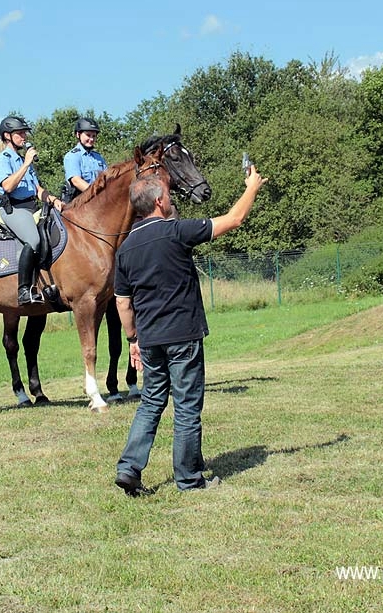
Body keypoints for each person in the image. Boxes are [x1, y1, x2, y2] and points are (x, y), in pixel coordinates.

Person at [113, 161, 267, 495]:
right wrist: (252, 187)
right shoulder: (177, 230)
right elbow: (234, 220)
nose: (171, 200)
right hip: (183, 335)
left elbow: (122, 303)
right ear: (158, 202)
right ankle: (189, 479)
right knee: (186, 406)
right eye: (167, 195)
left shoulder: (124, 251)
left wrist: (133, 340)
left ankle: (129, 468)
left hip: (150, 339)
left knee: (151, 402)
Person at [62, 117, 139, 403]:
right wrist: (99, 196)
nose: (91, 138)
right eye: (87, 134)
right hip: (79, 208)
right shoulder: (72, 157)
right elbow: (76, 182)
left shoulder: (99, 158)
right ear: (78, 135)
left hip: (100, 211)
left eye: (94, 134)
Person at [0, 115, 64, 305]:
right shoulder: (2, 160)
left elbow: (38, 189)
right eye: (20, 133)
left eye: (24, 132)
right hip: (13, 208)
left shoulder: (25, 160)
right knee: (33, 239)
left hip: (32, 206)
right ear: (7, 136)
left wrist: (54, 199)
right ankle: (24, 290)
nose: (24, 136)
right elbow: (7, 186)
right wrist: (25, 164)